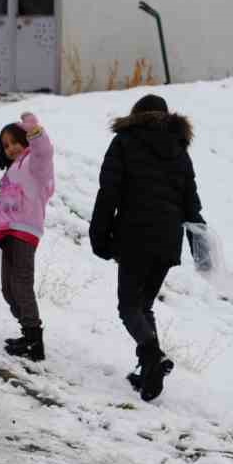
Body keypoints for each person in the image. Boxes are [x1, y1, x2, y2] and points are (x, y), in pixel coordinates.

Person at [89, 94, 207, 402]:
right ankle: (148, 371)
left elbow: (109, 192)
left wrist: (99, 235)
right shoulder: (180, 151)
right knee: (144, 306)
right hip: (167, 242)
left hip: (134, 237)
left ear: (136, 115)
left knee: (128, 306)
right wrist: (202, 250)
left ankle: (153, 355)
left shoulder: (125, 141)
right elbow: (191, 205)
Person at [0, 112, 55, 361]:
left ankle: (34, 342)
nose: (11, 148)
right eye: (5, 145)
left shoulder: (34, 164)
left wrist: (35, 132)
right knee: (8, 288)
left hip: (25, 231)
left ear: (26, 140)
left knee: (21, 285)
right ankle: (27, 332)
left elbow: (44, 153)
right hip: (8, 232)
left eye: (15, 141)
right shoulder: (11, 171)